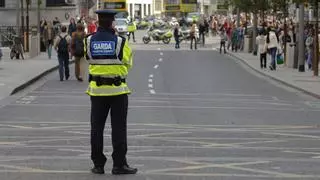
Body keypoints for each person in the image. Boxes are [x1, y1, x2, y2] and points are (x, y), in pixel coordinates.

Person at [84, 9, 137, 175]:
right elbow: (128, 64)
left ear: (98, 22)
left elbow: (88, 59)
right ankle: (119, 164)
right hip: (118, 91)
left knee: (96, 129)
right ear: (112, 23)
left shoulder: (89, 40)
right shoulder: (121, 42)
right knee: (119, 128)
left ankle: (98, 164)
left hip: (97, 92)